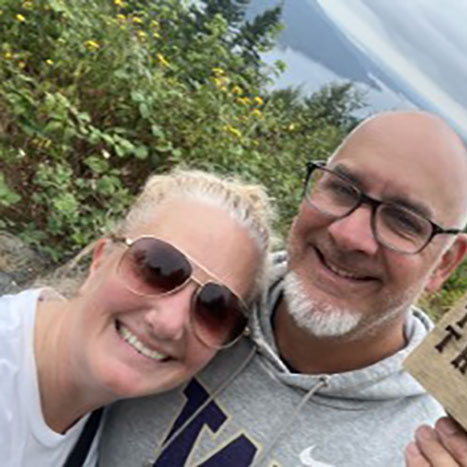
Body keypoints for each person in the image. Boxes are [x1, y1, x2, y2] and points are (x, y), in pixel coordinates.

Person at [99, 111, 467, 466]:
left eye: (403, 221)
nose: (349, 235)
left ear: (444, 263)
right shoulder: (190, 296)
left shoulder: (434, 448)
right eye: (341, 188)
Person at [0, 168, 274, 466]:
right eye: (156, 267)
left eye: (216, 308)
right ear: (101, 259)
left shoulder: (113, 428)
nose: (168, 323)